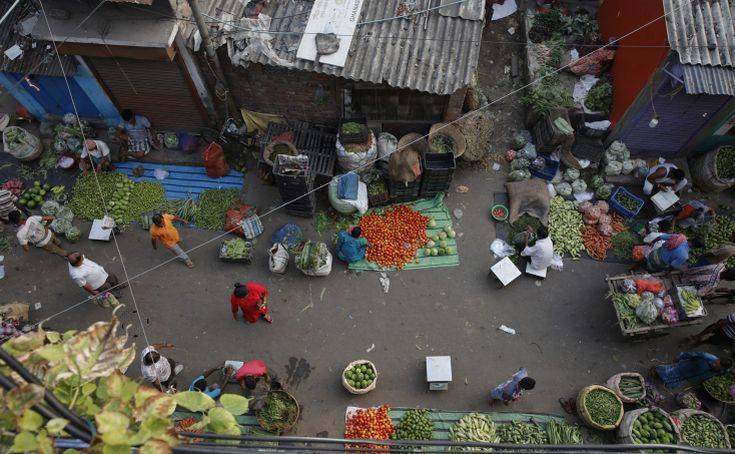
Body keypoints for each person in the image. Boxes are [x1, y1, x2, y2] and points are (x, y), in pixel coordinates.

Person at [653, 352, 731, 388]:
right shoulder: (707, 356)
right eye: (715, 362)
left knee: (675, 381)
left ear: (722, 368)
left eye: (717, 366)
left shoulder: (721, 372)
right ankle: (655, 372)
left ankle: (664, 382)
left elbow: (709, 377)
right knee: (668, 371)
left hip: (689, 378)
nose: (713, 364)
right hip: (685, 367)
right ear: (718, 359)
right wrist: (680, 357)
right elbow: (691, 354)